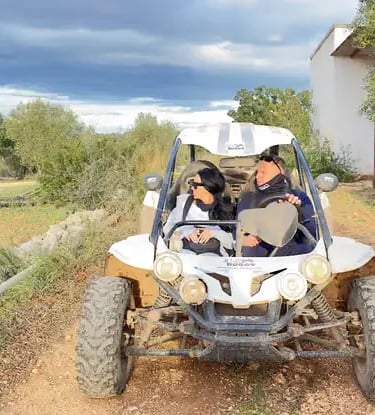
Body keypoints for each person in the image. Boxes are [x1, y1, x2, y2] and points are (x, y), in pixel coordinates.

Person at [237, 155, 317, 257]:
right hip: (258, 251)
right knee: (247, 250)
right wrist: (242, 239)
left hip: (290, 247)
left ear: (280, 173)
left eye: (263, 172)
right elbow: (237, 227)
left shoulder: (300, 196)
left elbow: (312, 232)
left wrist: (299, 210)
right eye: (257, 172)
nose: (257, 176)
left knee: (312, 255)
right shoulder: (248, 198)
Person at [163, 167, 234, 256]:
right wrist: (186, 232)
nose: (192, 187)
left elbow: (233, 242)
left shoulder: (224, 210)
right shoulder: (183, 204)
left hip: (213, 257)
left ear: (208, 187)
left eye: (195, 184)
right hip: (185, 253)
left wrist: (213, 233)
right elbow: (167, 228)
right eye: (191, 183)